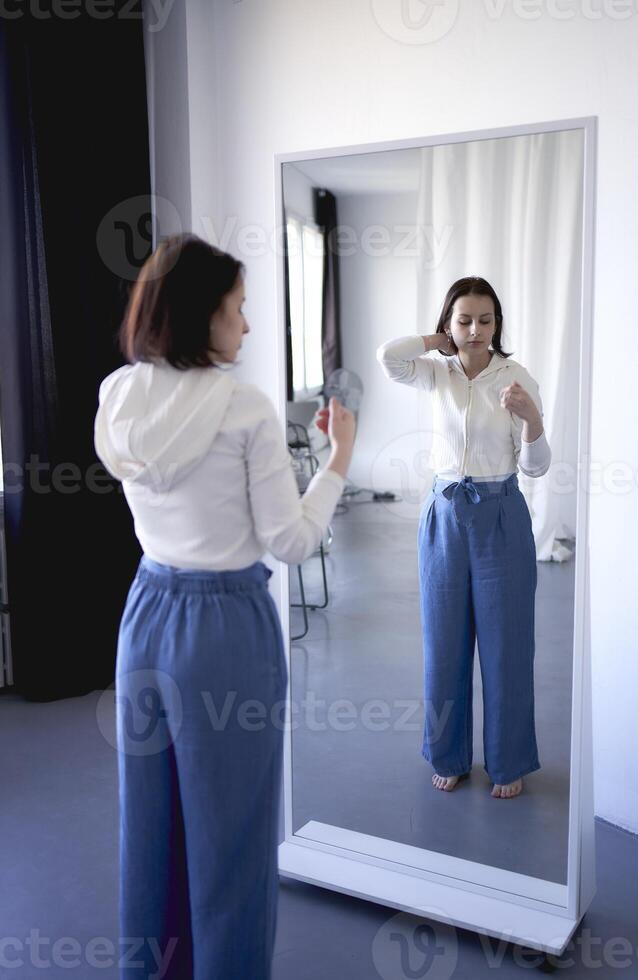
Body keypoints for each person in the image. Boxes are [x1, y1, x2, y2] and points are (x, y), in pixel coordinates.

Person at [93, 233, 355, 979]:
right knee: (232, 835)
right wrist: (338, 461)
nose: (246, 325)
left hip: (145, 617)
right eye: (238, 309)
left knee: (150, 824)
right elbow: (290, 542)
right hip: (223, 629)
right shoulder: (243, 409)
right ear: (203, 314)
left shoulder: (118, 395)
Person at [376, 276, 551, 801]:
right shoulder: (435, 373)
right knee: (444, 644)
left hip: (502, 513)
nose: (476, 330)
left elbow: (538, 468)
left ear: (499, 324)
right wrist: (436, 343)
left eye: (486, 319)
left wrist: (532, 418)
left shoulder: (517, 378)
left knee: (508, 646)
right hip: (445, 513)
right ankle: (448, 754)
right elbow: (388, 355)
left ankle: (509, 760)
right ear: (449, 324)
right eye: (464, 320)